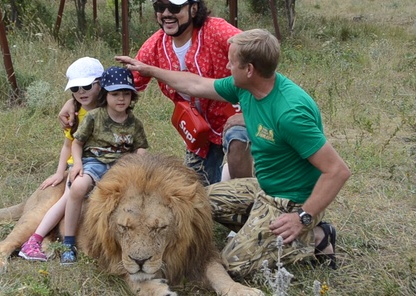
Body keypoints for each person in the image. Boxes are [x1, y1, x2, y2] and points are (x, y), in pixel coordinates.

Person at [116, 28, 351, 279]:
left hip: (290, 202)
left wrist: (303, 216)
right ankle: (259, 227)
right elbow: (195, 83)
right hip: (263, 188)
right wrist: (149, 70)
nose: (227, 66)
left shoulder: (290, 113)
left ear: (249, 69)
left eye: (231, 61)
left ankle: (315, 236)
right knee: (194, 205)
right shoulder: (246, 87)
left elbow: (337, 171)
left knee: (231, 267)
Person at [59, 0, 253, 186]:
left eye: (175, 7)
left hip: (235, 112)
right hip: (199, 130)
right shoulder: (154, 46)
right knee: (198, 193)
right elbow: (120, 84)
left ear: (193, 8)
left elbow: (254, 49)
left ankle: (244, 195)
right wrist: (75, 100)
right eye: (160, 7)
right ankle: (225, 178)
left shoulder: (215, 29)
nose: (166, 14)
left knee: (238, 138)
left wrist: (251, 103)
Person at [60, 66, 149, 264]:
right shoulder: (94, 116)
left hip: (122, 168)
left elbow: (141, 148)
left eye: (126, 94)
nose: (121, 99)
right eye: (115, 94)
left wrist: (138, 162)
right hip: (95, 162)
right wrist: (77, 165)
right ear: (105, 95)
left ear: (132, 97)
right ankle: (68, 242)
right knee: (78, 188)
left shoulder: (134, 123)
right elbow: (77, 142)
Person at [19, 57, 104, 262]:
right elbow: (68, 144)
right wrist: (60, 172)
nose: (81, 92)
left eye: (86, 86)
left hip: (103, 163)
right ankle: (35, 239)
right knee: (69, 196)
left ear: (101, 83)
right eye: (75, 88)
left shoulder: (111, 105)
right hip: (80, 166)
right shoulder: (76, 114)